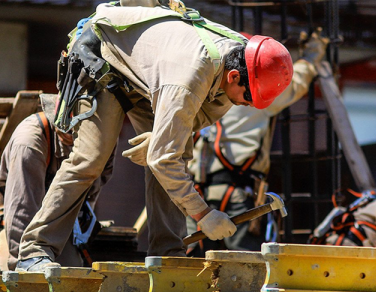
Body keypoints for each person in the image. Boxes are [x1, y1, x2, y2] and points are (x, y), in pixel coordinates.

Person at [15, 1, 293, 272]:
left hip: (149, 76)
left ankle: (168, 256)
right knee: (91, 159)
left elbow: (198, 118)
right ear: (233, 77)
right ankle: (34, 251)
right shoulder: (190, 77)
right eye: (247, 98)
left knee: (176, 152)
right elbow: (164, 158)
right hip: (104, 57)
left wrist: (164, 137)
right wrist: (203, 214)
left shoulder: (239, 62)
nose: (246, 104)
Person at [185, 30, 329, 255]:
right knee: (245, 261)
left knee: (192, 260)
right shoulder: (256, 95)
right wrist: (312, 56)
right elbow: (296, 82)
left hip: (197, 195)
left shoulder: (206, 86)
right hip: (239, 191)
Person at [0, 94, 114, 271]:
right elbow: (21, 209)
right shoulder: (30, 142)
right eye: (68, 134)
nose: (72, 137)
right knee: (42, 272)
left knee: (73, 271)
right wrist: (22, 267)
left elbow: (96, 183)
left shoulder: (102, 139)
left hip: (59, 217)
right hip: (21, 220)